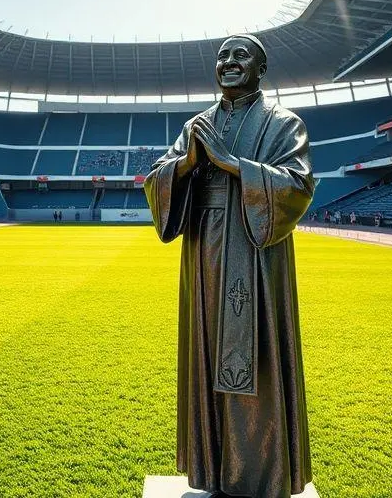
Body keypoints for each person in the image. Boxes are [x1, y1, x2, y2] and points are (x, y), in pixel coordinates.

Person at [145, 34, 314, 497]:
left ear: (262, 68)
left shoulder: (284, 124)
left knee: (255, 354)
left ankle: (260, 475)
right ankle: (212, 468)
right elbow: (157, 176)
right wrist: (184, 166)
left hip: (255, 250)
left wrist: (232, 163)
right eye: (222, 56)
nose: (229, 62)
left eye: (241, 55)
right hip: (204, 251)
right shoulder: (196, 125)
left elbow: (298, 184)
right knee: (206, 349)